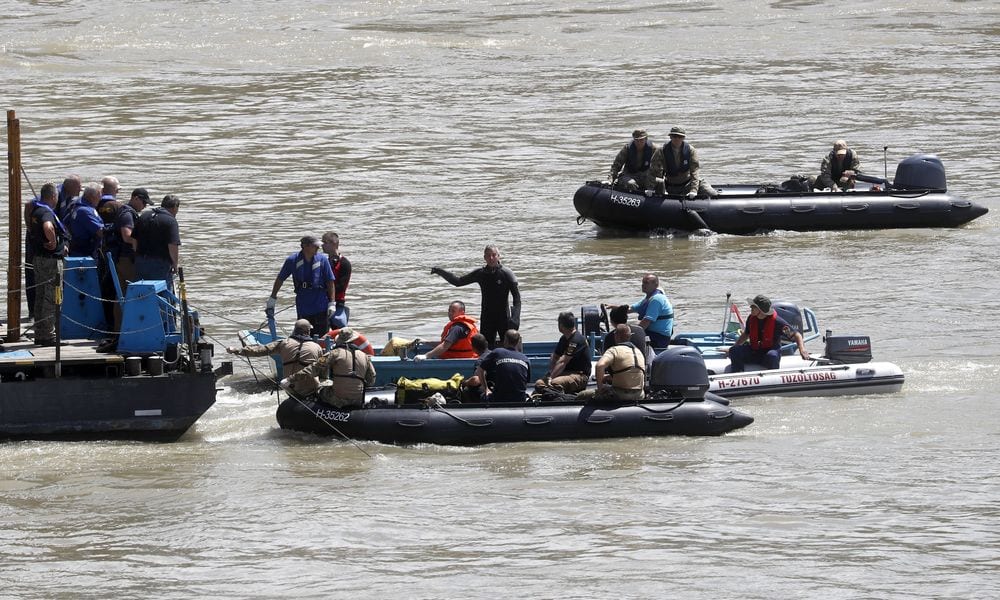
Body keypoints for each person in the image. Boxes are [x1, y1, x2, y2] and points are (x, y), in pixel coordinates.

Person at [430, 245, 521, 349]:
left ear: (499, 256)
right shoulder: (481, 273)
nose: (491, 258)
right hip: (487, 317)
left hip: (504, 318)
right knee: (485, 348)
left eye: (494, 255)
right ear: (484, 258)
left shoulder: (506, 273)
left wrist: (516, 318)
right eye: (488, 256)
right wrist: (440, 271)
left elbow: (517, 299)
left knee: (511, 347)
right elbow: (458, 281)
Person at [283, 327, 376, 409]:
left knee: (319, 388)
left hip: (338, 400)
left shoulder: (334, 353)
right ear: (353, 340)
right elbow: (372, 379)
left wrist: (291, 379)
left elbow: (313, 368)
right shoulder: (365, 356)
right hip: (358, 400)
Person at [266, 235, 336, 337]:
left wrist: (332, 303)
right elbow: (280, 279)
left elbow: (330, 281)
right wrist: (273, 298)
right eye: (315, 246)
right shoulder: (292, 260)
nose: (318, 248)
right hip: (303, 306)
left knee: (322, 336)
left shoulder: (322, 260)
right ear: (305, 246)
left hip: (321, 305)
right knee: (302, 336)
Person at [726, 294, 811, 372]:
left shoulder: (777, 322)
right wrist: (734, 346)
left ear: (760, 310)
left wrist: (802, 349)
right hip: (754, 350)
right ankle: (738, 374)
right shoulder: (751, 319)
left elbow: (796, 335)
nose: (750, 307)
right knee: (734, 351)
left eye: (753, 306)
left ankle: (772, 379)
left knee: (772, 356)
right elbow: (745, 334)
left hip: (769, 352)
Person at [26, 183, 66, 346]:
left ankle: (40, 333)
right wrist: (52, 240)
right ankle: (49, 335)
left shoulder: (35, 210)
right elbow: (48, 226)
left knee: (41, 296)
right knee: (53, 297)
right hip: (51, 261)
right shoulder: (46, 212)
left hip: (39, 259)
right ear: (53, 197)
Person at [226, 319, 323, 377]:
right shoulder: (317, 347)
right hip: (311, 388)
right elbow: (323, 370)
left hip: (289, 386)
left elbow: (259, 351)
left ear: (295, 330)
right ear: (308, 331)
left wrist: (237, 350)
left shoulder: (283, 343)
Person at [578, 324, 646, 403]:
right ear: (630, 336)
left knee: (582, 395)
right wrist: (609, 377)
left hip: (620, 395)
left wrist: (600, 388)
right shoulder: (638, 352)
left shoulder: (614, 350)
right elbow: (630, 373)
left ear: (615, 336)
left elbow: (599, 366)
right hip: (639, 395)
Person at [133, 194, 182, 293]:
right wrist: (175, 264)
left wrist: (137, 254)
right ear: (175, 207)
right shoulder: (171, 221)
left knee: (142, 293)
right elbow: (172, 245)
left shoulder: (144, 216)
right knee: (162, 294)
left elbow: (134, 239)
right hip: (160, 264)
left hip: (141, 261)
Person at [650, 126, 717, 199]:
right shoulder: (661, 150)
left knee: (712, 193)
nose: (677, 139)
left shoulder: (691, 150)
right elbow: (653, 170)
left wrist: (693, 190)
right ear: (670, 137)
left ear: (683, 138)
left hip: (688, 183)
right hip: (670, 186)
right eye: (674, 136)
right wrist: (650, 187)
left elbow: (695, 171)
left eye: (680, 137)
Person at [535, 311, 591, 394]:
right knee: (539, 384)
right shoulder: (564, 338)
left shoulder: (576, 340)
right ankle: (550, 395)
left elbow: (563, 361)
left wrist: (551, 378)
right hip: (565, 372)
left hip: (580, 375)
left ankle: (561, 398)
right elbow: (555, 356)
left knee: (555, 383)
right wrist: (550, 373)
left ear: (561, 326)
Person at [474, 329, 531, 403]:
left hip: (499, 399)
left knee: (477, 393)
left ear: (505, 341)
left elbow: (480, 370)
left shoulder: (497, 352)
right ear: (518, 342)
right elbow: (526, 382)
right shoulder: (526, 359)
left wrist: (486, 388)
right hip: (520, 399)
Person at [624, 273, 674, 349]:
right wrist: (614, 308)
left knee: (624, 337)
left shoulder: (656, 299)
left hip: (659, 338)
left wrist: (632, 334)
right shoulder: (648, 298)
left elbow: (646, 322)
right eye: (643, 283)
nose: (643, 285)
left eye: (646, 283)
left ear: (656, 284)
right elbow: (630, 309)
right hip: (652, 333)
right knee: (624, 331)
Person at [321, 231, 352, 328]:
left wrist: (324, 291)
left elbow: (341, 286)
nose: (322, 245)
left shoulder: (344, 263)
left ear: (334, 243)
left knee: (339, 327)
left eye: (325, 242)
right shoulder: (323, 262)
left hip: (337, 303)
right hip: (321, 301)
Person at [66, 184, 104, 258]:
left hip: (77, 249)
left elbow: (65, 222)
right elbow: (100, 232)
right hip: (84, 253)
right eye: (99, 195)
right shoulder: (85, 211)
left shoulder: (76, 205)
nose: (100, 198)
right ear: (91, 197)